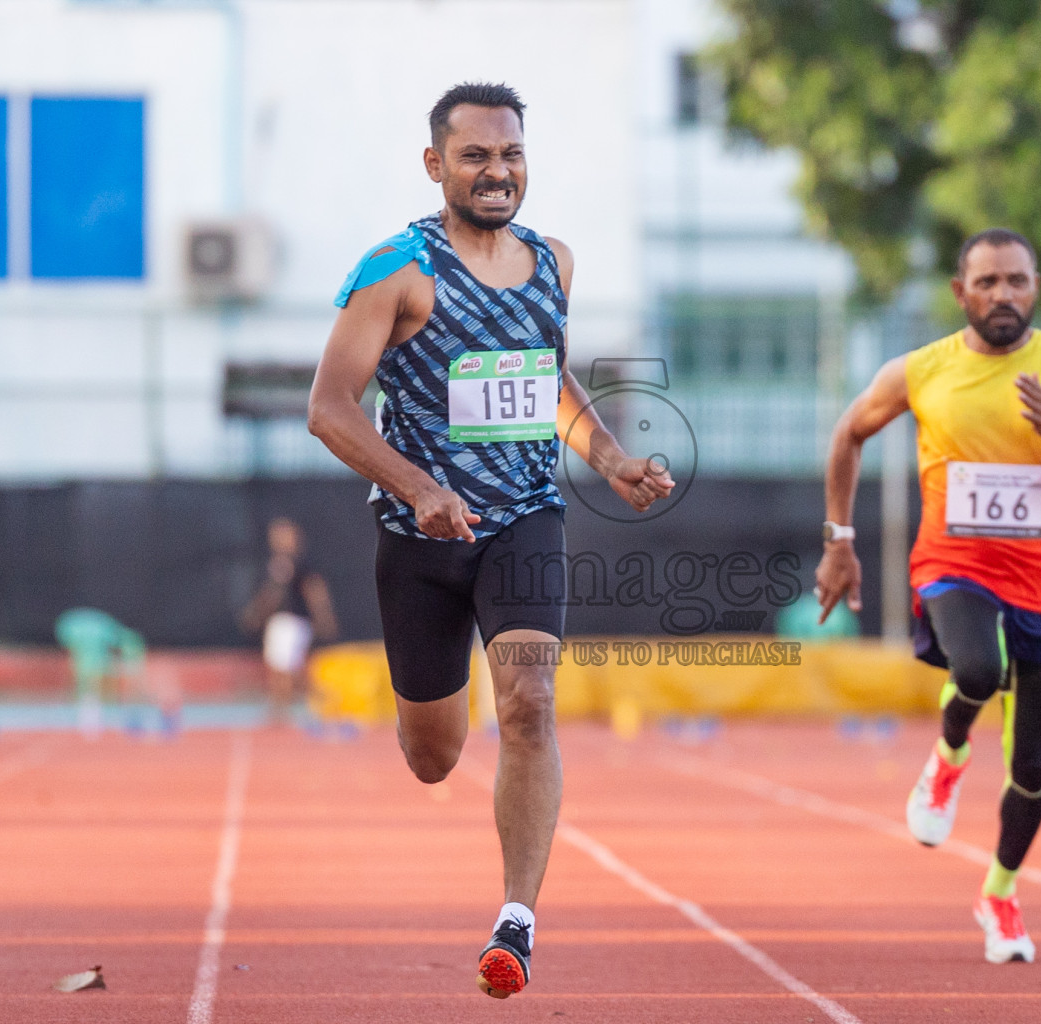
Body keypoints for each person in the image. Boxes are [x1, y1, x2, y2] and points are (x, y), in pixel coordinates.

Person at [306, 82, 674, 999]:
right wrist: (418, 487)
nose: (497, 172)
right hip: (421, 537)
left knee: (528, 702)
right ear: (437, 165)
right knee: (433, 755)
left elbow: (545, 381)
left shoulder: (553, 262)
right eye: (475, 156)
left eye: (510, 154)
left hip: (525, 519)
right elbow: (328, 409)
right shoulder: (396, 268)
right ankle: (431, 724)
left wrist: (613, 458)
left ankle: (516, 918)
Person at [815, 228, 1041, 965]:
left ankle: (1000, 894)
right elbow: (849, 433)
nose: (1003, 295)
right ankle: (950, 753)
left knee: (1033, 768)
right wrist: (841, 540)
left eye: (1016, 280)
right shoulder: (923, 370)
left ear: (1036, 286)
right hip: (955, 567)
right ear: (962, 293)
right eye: (986, 282)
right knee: (979, 670)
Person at [239, 517, 339, 721]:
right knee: (287, 669)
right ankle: (289, 705)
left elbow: (311, 590)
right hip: (284, 622)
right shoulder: (281, 563)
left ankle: (282, 710)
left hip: (292, 621)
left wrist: (323, 616)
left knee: (284, 669)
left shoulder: (293, 564)